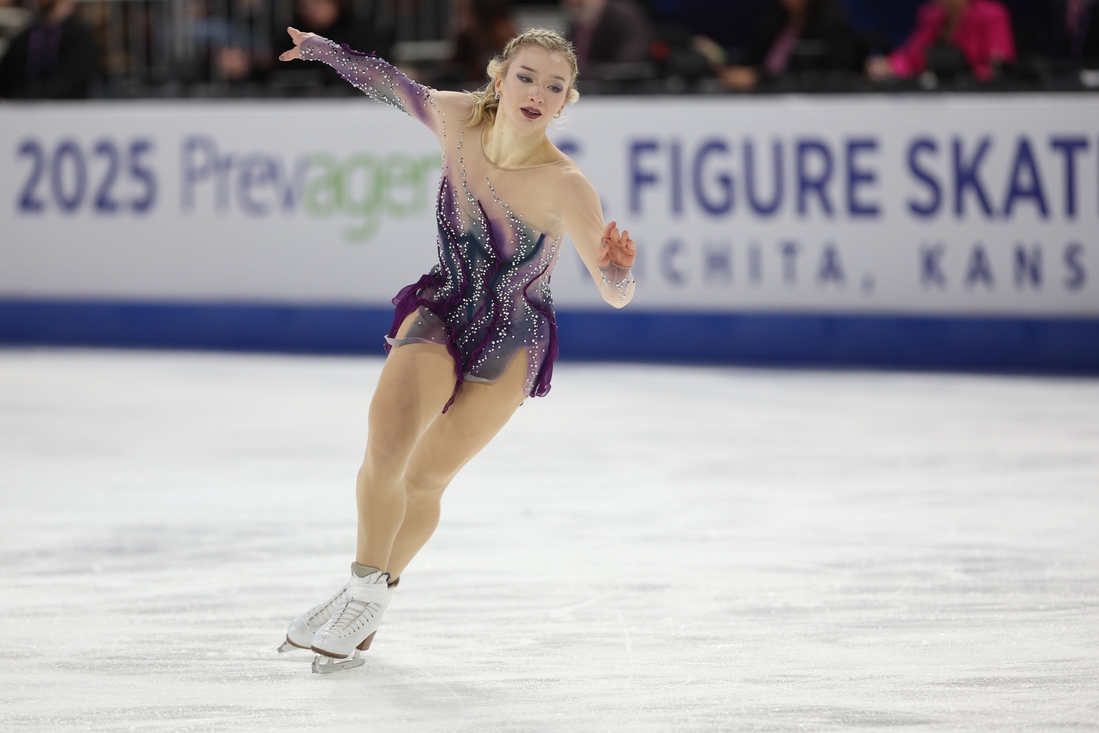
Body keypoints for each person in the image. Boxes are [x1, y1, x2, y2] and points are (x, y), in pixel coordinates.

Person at [275, 24, 637, 673]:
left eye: (554, 86)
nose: (536, 92)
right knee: (385, 445)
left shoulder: (566, 185)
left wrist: (617, 270)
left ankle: (369, 596)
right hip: (444, 306)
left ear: (565, 102)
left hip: (512, 334)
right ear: (500, 77)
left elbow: (614, 291)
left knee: (425, 476)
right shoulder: (455, 119)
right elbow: (390, 85)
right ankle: (362, 586)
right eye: (526, 76)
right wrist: (324, 51)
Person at [695, 0, 860, 92]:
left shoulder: (831, 26)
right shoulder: (777, 23)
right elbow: (753, 61)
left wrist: (759, 79)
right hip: (764, 100)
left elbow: (836, 75)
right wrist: (720, 57)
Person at [866, 0, 1016, 82]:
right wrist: (889, 65)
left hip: (975, 95)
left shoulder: (991, 15)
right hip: (934, 95)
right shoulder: (932, 16)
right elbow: (914, 56)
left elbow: (1000, 66)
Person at [0, 0, 98, 99]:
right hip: (20, 112)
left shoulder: (81, 38)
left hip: (66, 111)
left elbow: (70, 84)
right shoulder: (25, 39)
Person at [562, 0, 652, 76]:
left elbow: (631, 60)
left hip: (621, 90)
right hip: (585, 89)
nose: (574, 2)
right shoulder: (576, 25)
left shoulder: (624, 17)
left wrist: (594, 72)